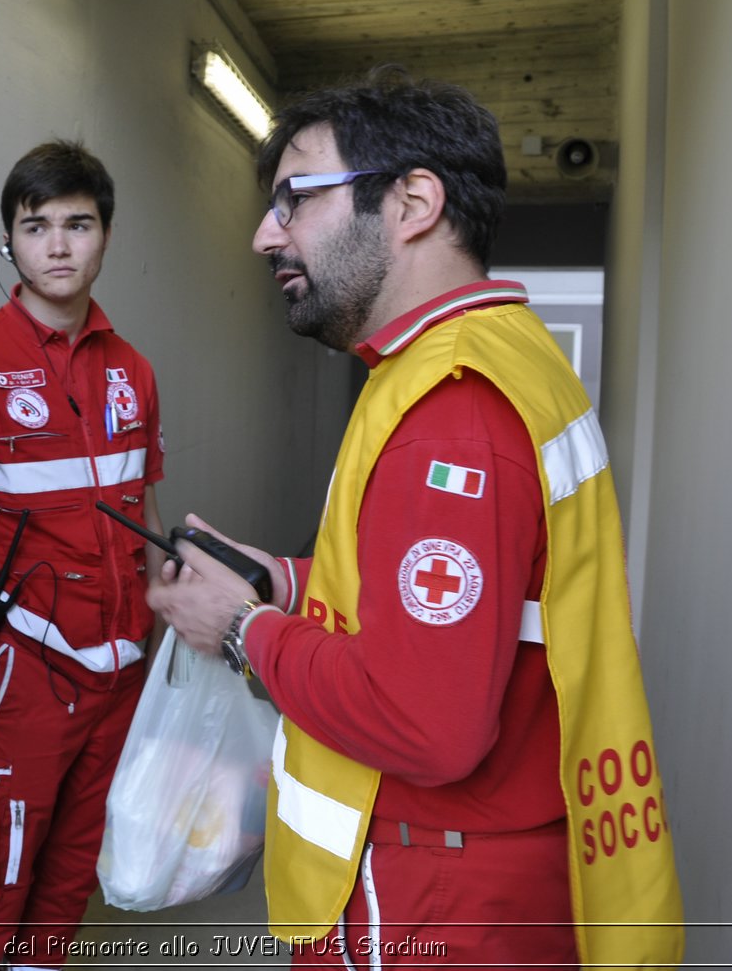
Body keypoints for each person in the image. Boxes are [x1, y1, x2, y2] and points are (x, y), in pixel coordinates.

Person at [147, 71, 684, 968]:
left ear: (413, 202)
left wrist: (244, 629)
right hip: (474, 879)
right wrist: (280, 579)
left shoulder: (456, 405)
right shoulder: (477, 356)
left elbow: (424, 720)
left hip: (432, 906)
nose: (263, 234)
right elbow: (462, 606)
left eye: (295, 199)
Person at [0, 141, 166, 968]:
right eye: (35, 225)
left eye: (77, 224)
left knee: (64, 888)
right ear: (10, 241)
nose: (57, 245)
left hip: (118, 676)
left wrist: (164, 650)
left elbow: (142, 511)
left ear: (106, 236)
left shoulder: (135, 372)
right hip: (19, 677)